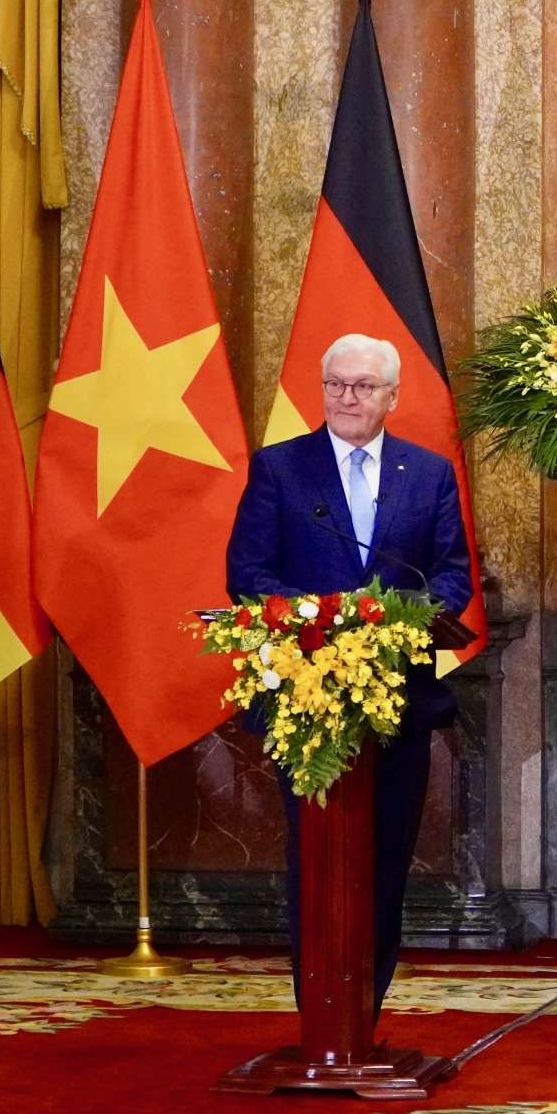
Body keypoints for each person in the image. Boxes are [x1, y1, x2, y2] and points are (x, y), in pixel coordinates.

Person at [226, 332, 473, 1017]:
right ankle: (321, 1017)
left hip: (400, 701)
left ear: (392, 397)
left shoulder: (428, 474)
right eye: (336, 384)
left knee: (385, 861)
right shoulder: (279, 469)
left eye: (363, 386)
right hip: (310, 704)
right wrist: (323, 620)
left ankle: (364, 1012)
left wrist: (399, 619)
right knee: (319, 863)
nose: (347, 398)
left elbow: (451, 576)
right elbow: (248, 578)